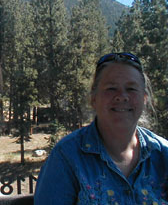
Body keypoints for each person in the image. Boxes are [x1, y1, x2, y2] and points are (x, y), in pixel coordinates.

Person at [34, 52, 168, 204]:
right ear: (93, 98)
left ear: (144, 99)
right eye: (111, 88)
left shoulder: (163, 155)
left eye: (131, 89)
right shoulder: (66, 158)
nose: (122, 96)